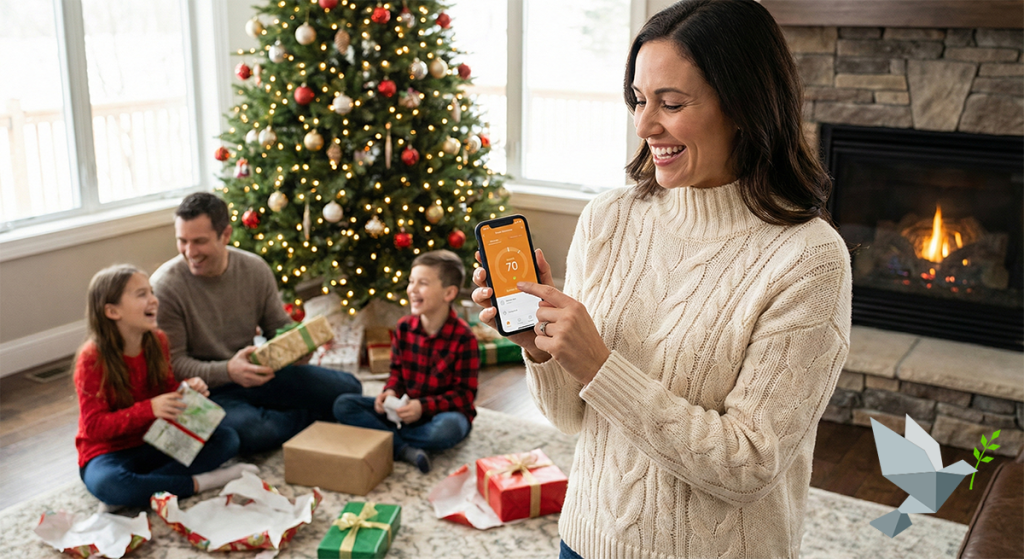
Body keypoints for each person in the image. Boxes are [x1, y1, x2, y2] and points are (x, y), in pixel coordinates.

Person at [472, 1, 852, 557]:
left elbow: (749, 465)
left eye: (671, 104)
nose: (645, 126)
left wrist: (600, 364)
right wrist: (544, 350)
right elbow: (569, 418)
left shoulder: (809, 260)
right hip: (585, 540)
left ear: (744, 105)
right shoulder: (609, 218)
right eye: (638, 100)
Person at [151, 192, 362, 455]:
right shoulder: (165, 287)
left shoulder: (254, 269)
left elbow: (277, 328)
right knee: (255, 432)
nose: (189, 252)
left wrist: (300, 347)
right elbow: (174, 365)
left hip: (258, 373)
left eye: (199, 242)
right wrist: (228, 370)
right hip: (207, 392)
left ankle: (286, 414)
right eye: (182, 241)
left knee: (349, 387)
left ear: (225, 235)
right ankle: (307, 418)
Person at [76, 265, 256, 510]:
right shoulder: (92, 358)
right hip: (108, 452)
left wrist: (185, 391)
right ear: (112, 310)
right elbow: (95, 427)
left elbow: (165, 389)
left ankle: (139, 490)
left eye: (151, 292)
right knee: (110, 483)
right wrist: (149, 409)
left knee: (227, 439)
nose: (154, 300)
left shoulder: (157, 340)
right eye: (142, 295)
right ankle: (199, 483)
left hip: (155, 442)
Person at [333, 250, 479, 473]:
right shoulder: (403, 327)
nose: (412, 289)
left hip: (439, 415)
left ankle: (389, 440)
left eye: (422, 283)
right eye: (411, 282)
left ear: (448, 293)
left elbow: (465, 396)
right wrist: (390, 393)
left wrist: (423, 407)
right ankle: (404, 449)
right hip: (402, 411)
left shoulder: (464, 338)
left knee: (447, 429)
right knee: (344, 404)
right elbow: (396, 373)